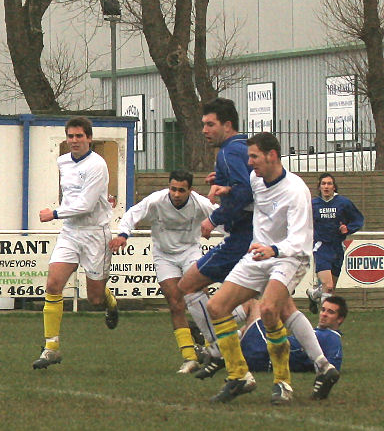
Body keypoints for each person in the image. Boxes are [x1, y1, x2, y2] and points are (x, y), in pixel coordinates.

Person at [205, 132, 340, 405]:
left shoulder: (296, 190)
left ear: (272, 156)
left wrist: (274, 250)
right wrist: (227, 189)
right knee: (216, 307)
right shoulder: (256, 179)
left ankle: (283, 383)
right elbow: (252, 199)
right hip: (260, 254)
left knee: (268, 309)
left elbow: (300, 239)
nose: (249, 162)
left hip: (290, 257)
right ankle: (239, 376)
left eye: (254, 156)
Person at [109, 169, 217, 374]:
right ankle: (189, 357)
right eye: (173, 189)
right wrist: (123, 234)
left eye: (181, 190)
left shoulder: (201, 203)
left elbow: (222, 217)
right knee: (175, 303)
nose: (176, 194)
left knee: (198, 295)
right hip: (164, 255)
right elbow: (132, 214)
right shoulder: (157, 200)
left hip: (190, 252)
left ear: (190, 190)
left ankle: (214, 344)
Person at [176, 98, 254, 379]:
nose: (205, 130)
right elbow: (243, 185)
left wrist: (214, 219)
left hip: (242, 236)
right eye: (203, 125)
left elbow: (245, 193)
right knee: (264, 304)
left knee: (189, 285)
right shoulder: (243, 147)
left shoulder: (229, 151)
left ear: (227, 125)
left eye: (210, 124)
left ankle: (218, 348)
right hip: (251, 234)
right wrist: (220, 183)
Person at [33, 116, 118, 369]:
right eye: (70, 136)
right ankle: (51, 347)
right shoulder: (63, 161)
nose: (74, 141)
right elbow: (72, 195)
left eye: (79, 136)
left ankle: (110, 302)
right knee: (53, 283)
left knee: (94, 299)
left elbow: (86, 204)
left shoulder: (97, 165)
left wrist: (55, 213)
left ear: (89, 138)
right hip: (71, 231)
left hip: (95, 233)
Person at [240, 296, 346, 373]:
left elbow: (333, 367)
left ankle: (226, 345)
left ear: (340, 319)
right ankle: (226, 349)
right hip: (264, 352)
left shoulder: (332, 337)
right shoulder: (318, 333)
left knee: (254, 302)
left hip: (265, 354)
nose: (324, 314)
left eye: (330, 312)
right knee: (259, 318)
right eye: (323, 310)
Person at [307, 173, 364, 313]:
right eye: (323, 184)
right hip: (321, 247)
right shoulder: (312, 204)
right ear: (319, 187)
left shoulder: (343, 203)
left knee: (330, 288)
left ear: (334, 186)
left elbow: (358, 219)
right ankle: (324, 324)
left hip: (338, 248)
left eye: (329, 183)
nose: (326, 186)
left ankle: (313, 294)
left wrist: (348, 228)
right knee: (328, 285)